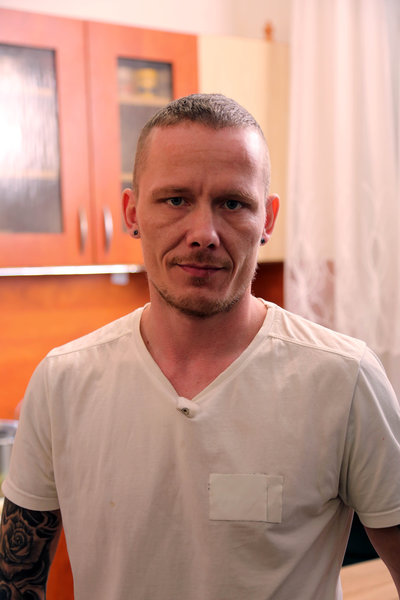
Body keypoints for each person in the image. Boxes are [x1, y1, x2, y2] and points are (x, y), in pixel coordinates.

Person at [1, 93, 399, 600]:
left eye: (232, 203)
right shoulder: (62, 382)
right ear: (131, 212)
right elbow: (15, 582)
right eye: (176, 200)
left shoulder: (344, 379)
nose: (204, 233)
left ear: (267, 220)